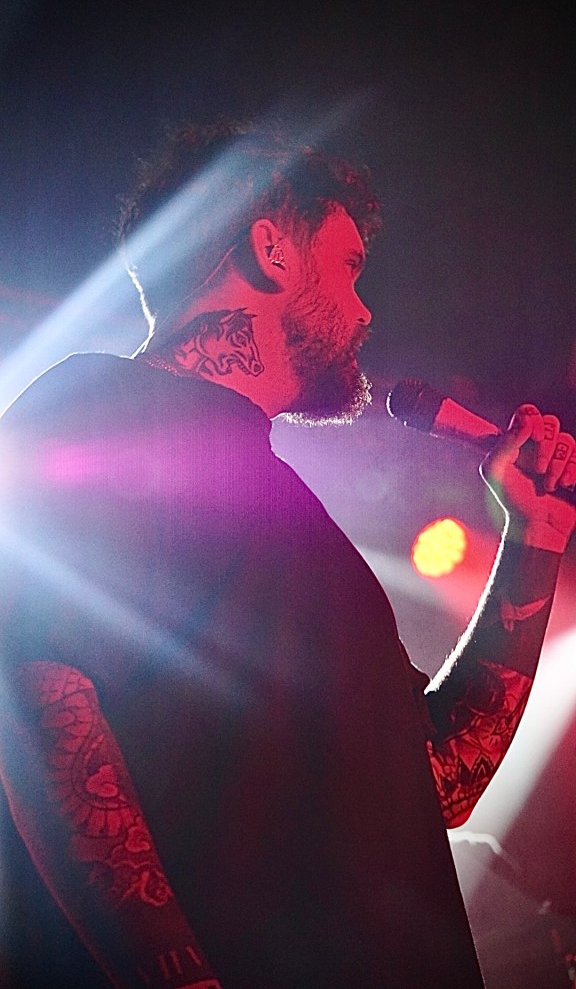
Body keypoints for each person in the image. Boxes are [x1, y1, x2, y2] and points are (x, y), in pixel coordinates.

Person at [0, 117, 574, 989]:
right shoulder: (99, 406)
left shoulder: (296, 524)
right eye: (349, 265)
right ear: (271, 248)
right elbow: (41, 704)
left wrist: (533, 538)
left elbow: (440, 785)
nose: (365, 310)